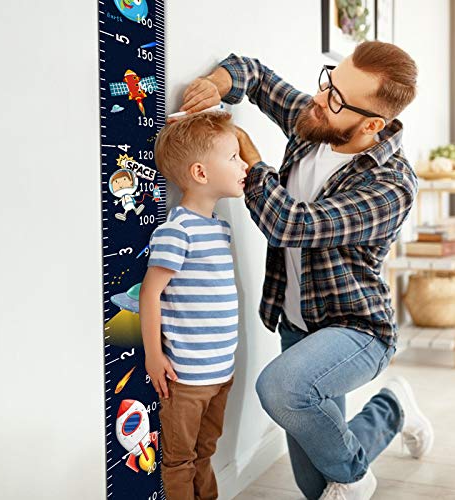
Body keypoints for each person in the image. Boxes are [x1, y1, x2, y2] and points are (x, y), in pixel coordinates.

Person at [179, 41, 434, 499]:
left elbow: (291, 224)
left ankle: (358, 478)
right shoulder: (320, 119)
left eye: (336, 98)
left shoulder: (391, 185)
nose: (320, 98)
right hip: (298, 324)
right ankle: (393, 408)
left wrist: (254, 162)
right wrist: (218, 82)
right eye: (328, 81)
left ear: (372, 124)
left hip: (356, 329)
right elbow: (254, 74)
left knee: (280, 388)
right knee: (316, 486)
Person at [139, 112, 247, 500]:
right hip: (185, 379)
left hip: (221, 372)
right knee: (180, 459)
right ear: (200, 172)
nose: (245, 164)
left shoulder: (220, 227)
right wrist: (155, 356)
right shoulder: (176, 230)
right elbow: (150, 293)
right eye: (234, 157)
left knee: (206, 451)